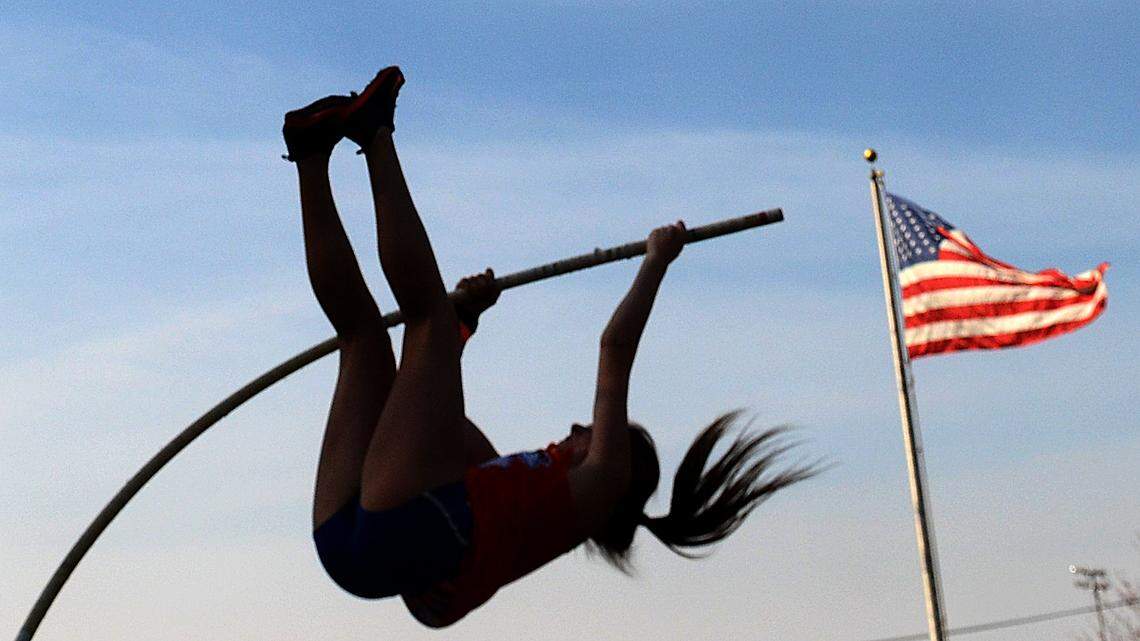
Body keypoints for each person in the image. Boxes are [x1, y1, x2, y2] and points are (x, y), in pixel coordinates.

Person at [283, 65, 816, 628]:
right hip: (354, 551)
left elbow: (613, 347)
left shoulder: (602, 481)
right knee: (366, 341)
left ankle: (374, 135)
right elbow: (430, 421)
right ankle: (312, 153)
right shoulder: (515, 493)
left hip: (400, 534)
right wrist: (462, 323)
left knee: (423, 323)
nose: (579, 429)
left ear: (619, 458)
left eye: (596, 433)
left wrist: (657, 262)